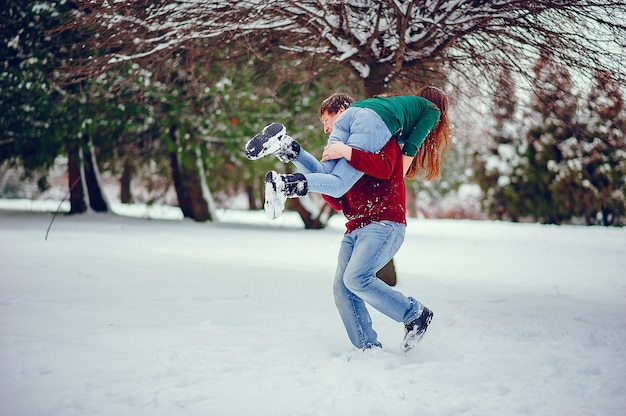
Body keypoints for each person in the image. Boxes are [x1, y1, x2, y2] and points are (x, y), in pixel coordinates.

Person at [245, 87, 450, 220]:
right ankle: (285, 185)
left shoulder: (402, 105)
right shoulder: (432, 110)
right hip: (372, 121)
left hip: (356, 113)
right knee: (339, 183)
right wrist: (398, 178)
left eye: (326, 122)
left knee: (328, 174)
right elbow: (412, 146)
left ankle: (285, 146)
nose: (325, 128)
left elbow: (330, 184)